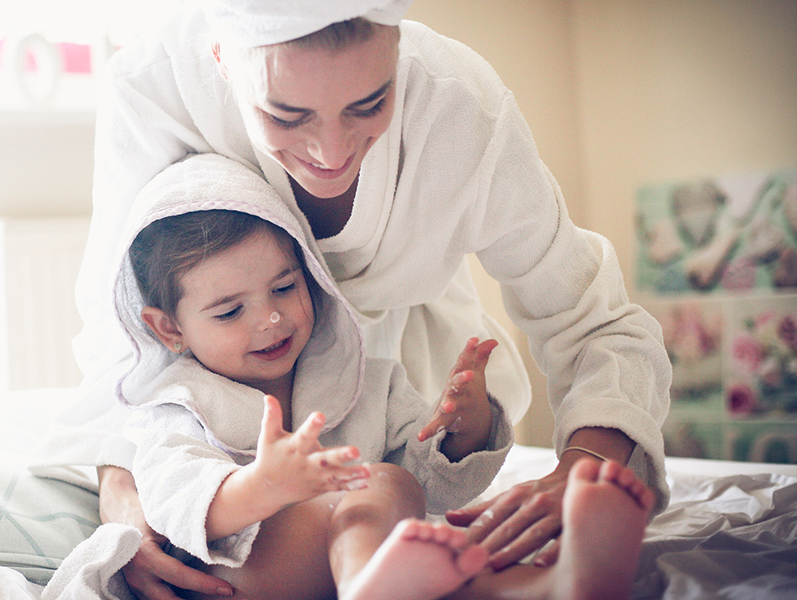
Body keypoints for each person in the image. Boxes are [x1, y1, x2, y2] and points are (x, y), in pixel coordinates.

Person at [46, 0, 672, 598]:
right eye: (287, 117)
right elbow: (120, 342)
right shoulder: (155, 91)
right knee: (379, 502)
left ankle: (534, 587)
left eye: (370, 105)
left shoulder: (464, 115)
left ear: (397, 54)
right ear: (221, 59)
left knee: (394, 492)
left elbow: (591, 318)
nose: (331, 152)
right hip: (244, 556)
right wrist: (129, 508)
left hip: (374, 371)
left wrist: (579, 463)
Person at [115, 155, 509, 600]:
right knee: (381, 483)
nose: (271, 318)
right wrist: (262, 487)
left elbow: (436, 487)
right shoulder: (179, 404)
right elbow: (174, 502)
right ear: (170, 329)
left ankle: (560, 578)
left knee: (471, 560)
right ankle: (368, 583)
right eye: (230, 311)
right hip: (237, 577)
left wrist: (465, 427)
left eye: (284, 287)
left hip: (334, 568)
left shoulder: (368, 384)